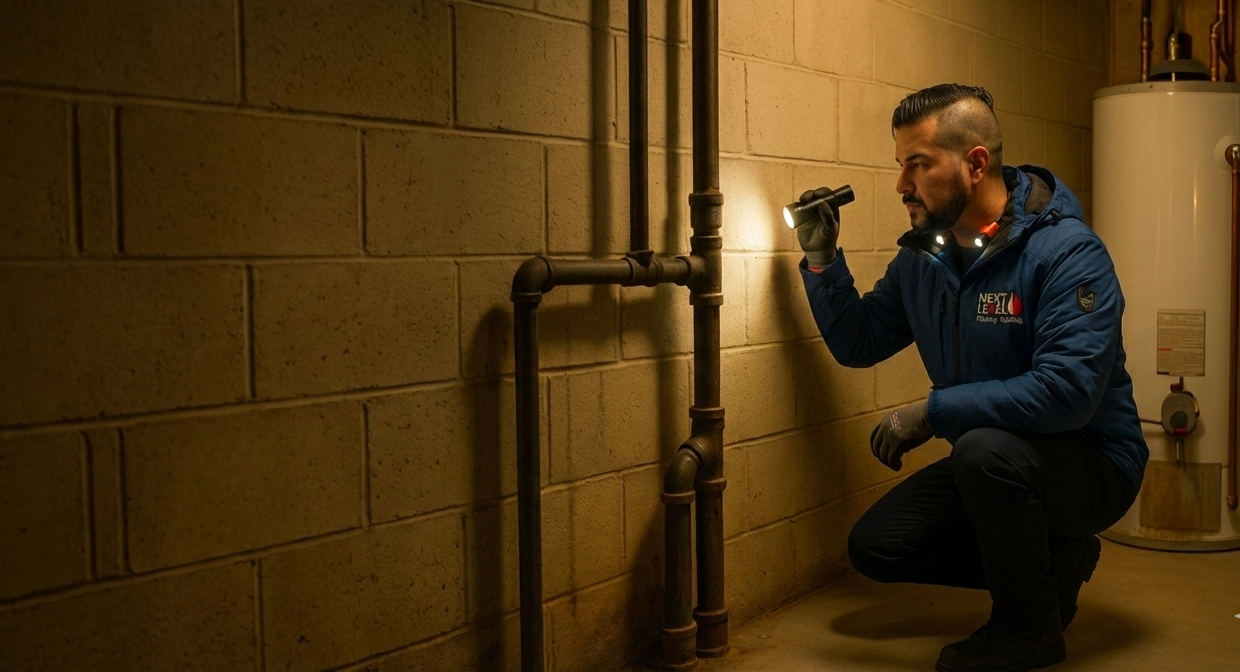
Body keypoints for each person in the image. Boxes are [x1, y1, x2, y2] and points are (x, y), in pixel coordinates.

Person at [793, 83, 1147, 672]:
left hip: (1091, 462)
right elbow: (859, 343)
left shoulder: (1067, 254)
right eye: (899, 166)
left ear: (975, 163)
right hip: (999, 465)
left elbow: (1068, 394)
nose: (902, 185)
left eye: (918, 165)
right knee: (878, 546)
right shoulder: (925, 259)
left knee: (982, 451)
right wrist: (823, 260)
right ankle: (1055, 566)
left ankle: (1026, 631)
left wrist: (933, 413)